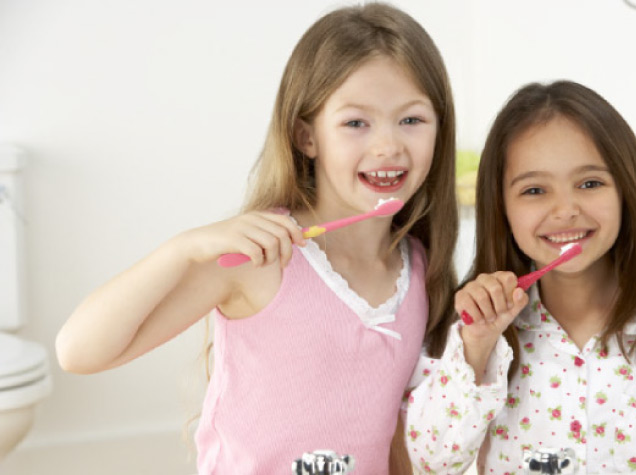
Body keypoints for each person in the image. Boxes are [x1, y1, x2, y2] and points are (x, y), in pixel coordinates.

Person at [55, 3, 458, 473]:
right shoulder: (263, 256)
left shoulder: (420, 266)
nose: (388, 145)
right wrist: (183, 248)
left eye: (411, 120)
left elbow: (399, 439)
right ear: (306, 136)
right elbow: (78, 351)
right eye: (356, 123)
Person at [402, 80, 636, 474]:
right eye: (534, 190)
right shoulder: (479, 334)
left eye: (590, 183)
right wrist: (476, 349)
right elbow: (431, 459)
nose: (565, 210)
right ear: (502, 207)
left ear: (627, 191)